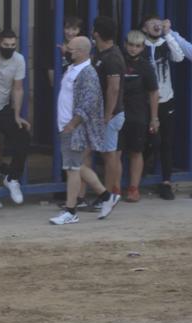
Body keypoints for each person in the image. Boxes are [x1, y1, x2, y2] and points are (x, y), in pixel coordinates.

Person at [51, 37, 116, 225]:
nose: (67, 51)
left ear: (81, 52)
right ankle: (106, 197)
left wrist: (73, 123)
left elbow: (88, 103)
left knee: (72, 169)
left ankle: (71, 211)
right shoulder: (74, 68)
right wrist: (66, 53)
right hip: (66, 125)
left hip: (74, 128)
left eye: (70, 49)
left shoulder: (88, 73)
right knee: (78, 166)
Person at [140, 15, 185, 200]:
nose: (156, 24)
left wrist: (168, 34)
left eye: (158, 21)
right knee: (149, 140)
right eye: (152, 22)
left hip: (166, 99)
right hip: (145, 101)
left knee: (166, 141)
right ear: (144, 28)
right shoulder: (140, 44)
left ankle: (166, 181)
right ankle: (139, 172)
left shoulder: (165, 42)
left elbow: (179, 57)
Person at [0, 29, 30, 206]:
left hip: (3, 108)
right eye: (6, 45)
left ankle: (12, 178)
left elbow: (18, 88)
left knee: (23, 136)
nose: (9, 48)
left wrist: (16, 115)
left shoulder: (19, 59)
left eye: (13, 45)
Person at [119, 31, 159, 203]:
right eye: (131, 45)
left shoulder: (146, 67)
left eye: (137, 46)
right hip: (118, 115)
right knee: (115, 153)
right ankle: (114, 188)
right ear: (125, 44)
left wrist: (154, 118)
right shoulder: (118, 61)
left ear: (143, 48)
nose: (133, 49)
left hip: (138, 116)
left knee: (136, 152)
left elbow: (153, 93)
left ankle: (134, 188)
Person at [92, 16, 125, 202]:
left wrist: (107, 114)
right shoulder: (102, 53)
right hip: (108, 114)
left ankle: (109, 195)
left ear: (96, 32)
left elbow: (114, 88)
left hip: (111, 114)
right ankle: (107, 193)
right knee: (107, 154)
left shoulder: (112, 57)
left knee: (109, 155)